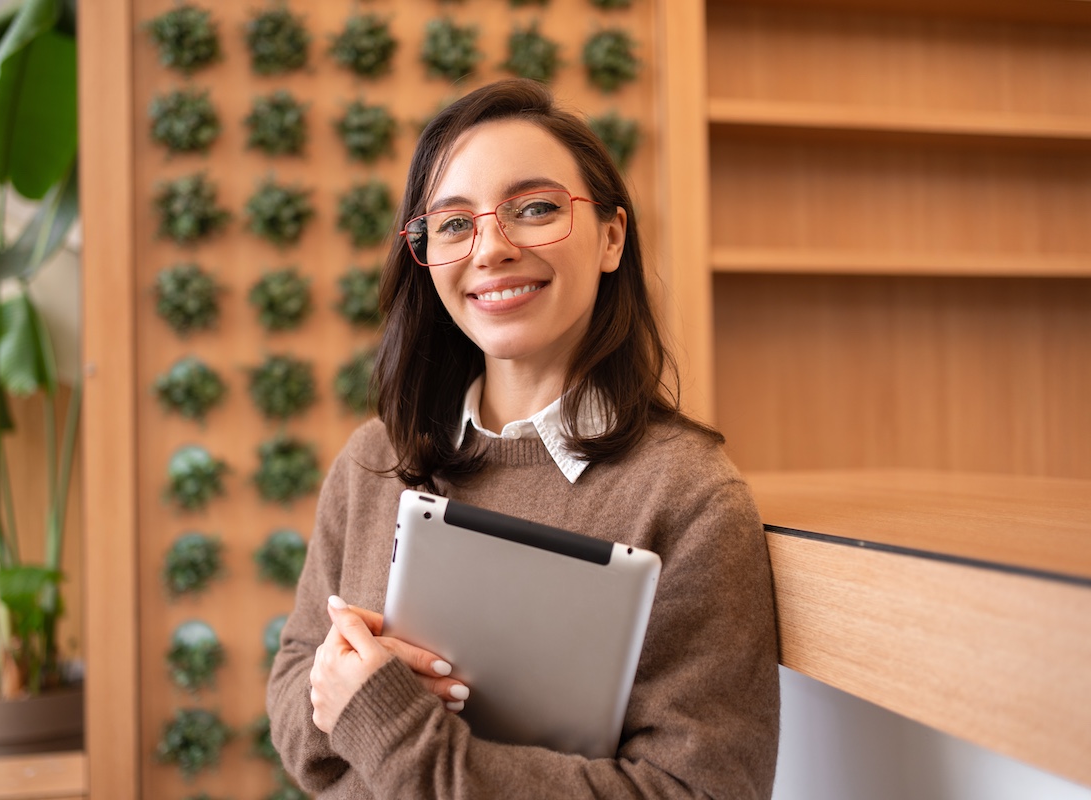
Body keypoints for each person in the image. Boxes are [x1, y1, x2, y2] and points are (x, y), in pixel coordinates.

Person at [267, 78, 779, 799]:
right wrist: (331, 685)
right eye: (453, 224)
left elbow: (700, 790)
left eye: (534, 209)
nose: (491, 249)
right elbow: (296, 701)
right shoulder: (374, 461)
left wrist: (389, 724)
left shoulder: (689, 497)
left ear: (611, 237)